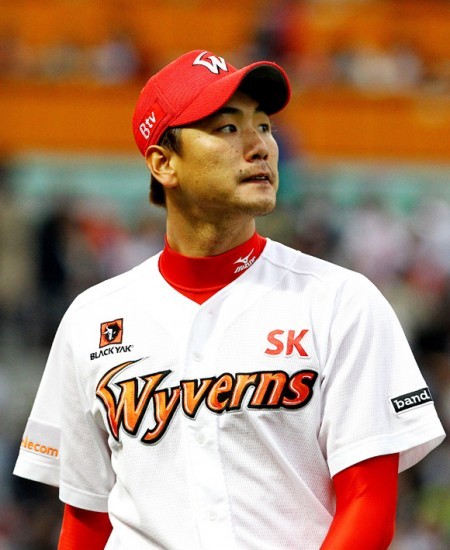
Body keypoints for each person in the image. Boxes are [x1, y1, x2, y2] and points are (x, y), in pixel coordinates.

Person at [14, 49, 445, 550]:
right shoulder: (91, 320)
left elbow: (368, 506)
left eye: (264, 126)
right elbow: (86, 521)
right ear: (163, 163)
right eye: (227, 128)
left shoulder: (341, 302)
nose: (260, 146)